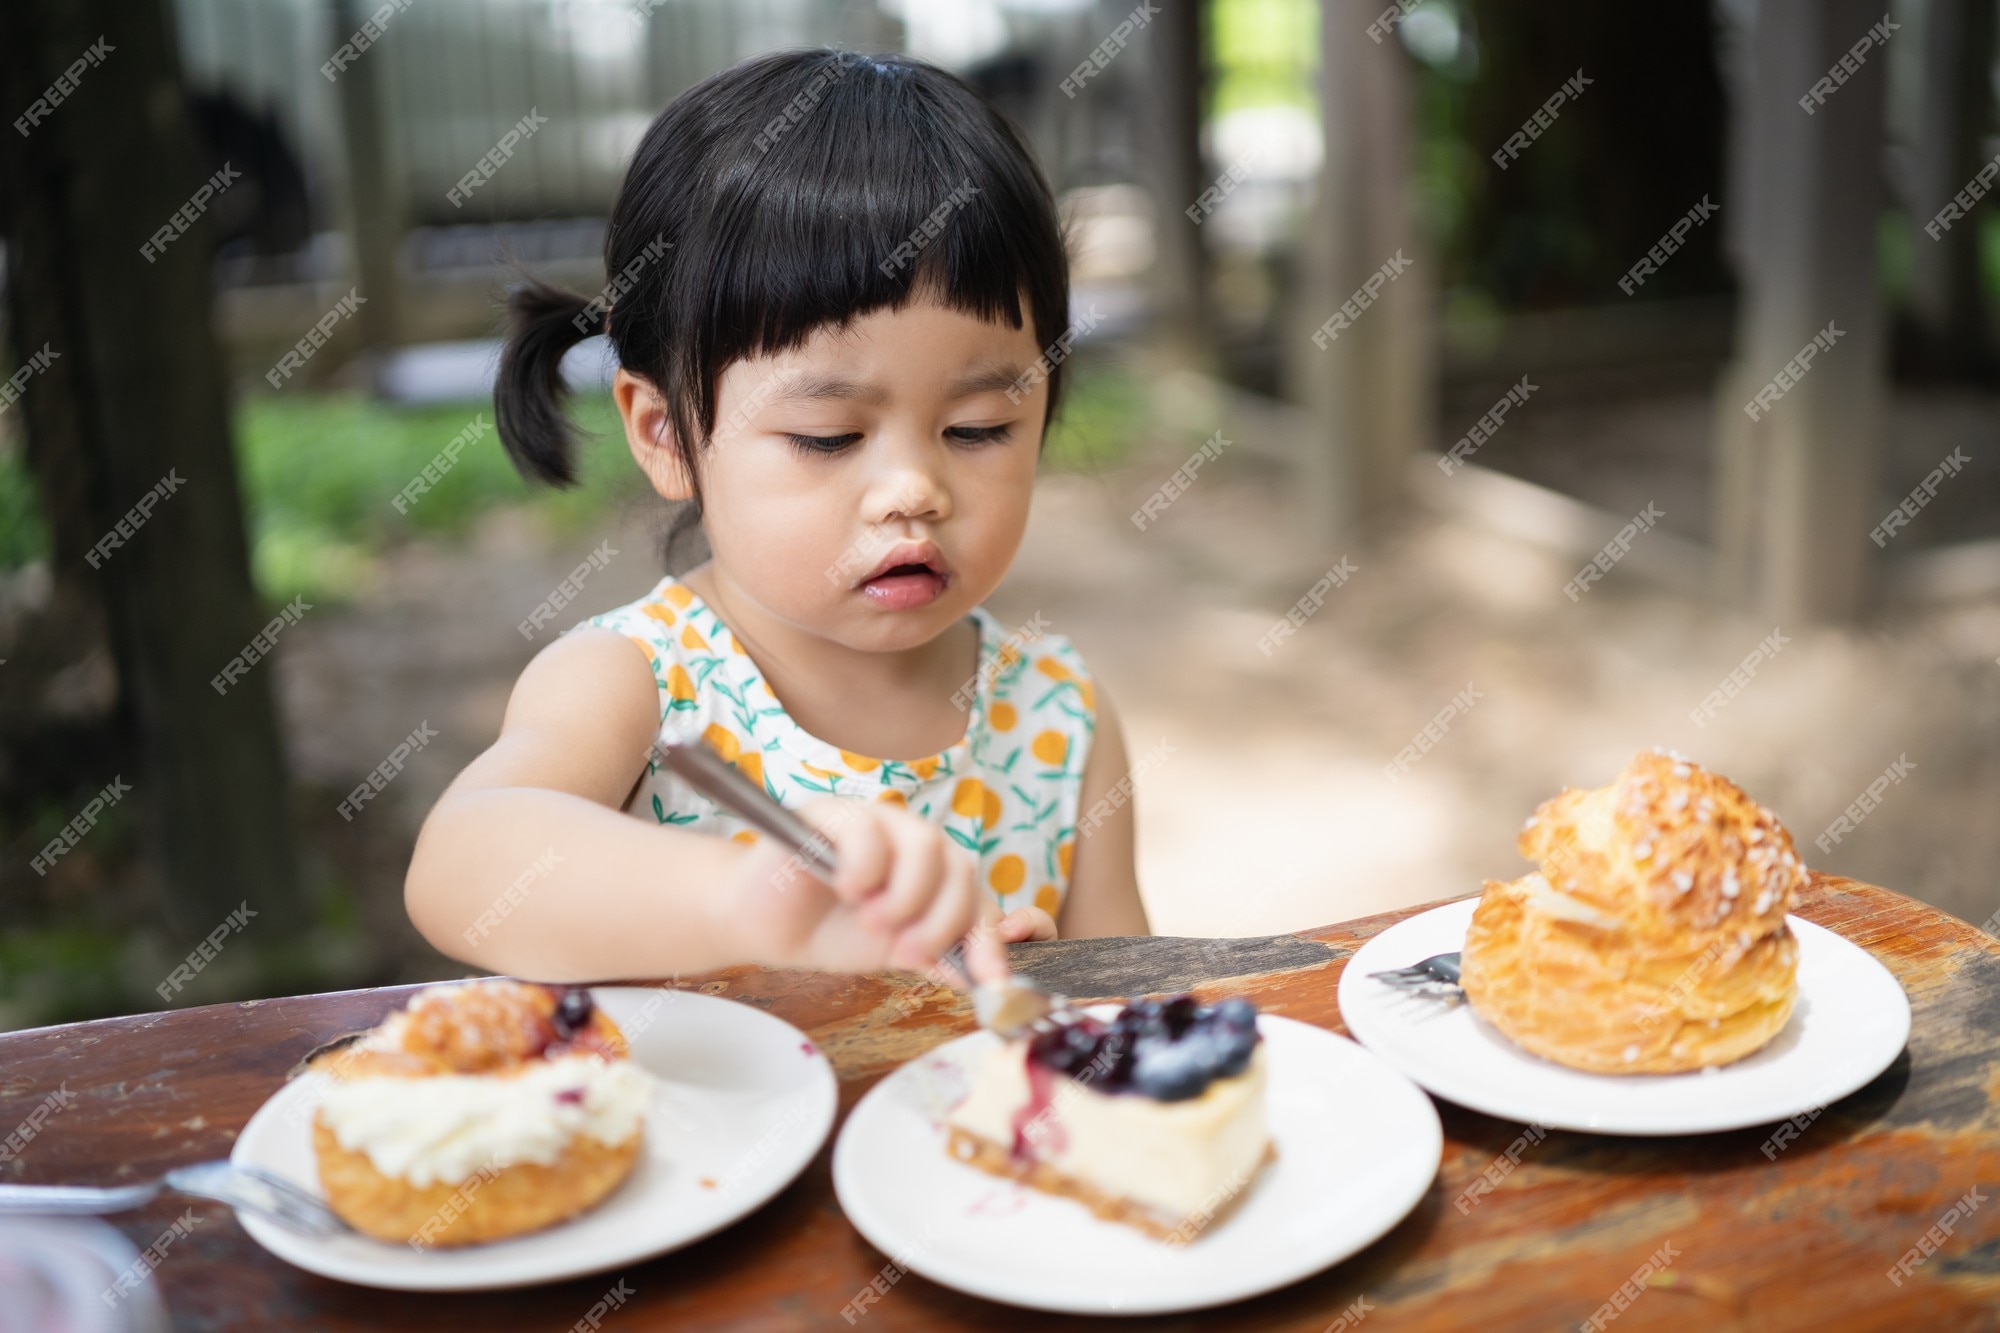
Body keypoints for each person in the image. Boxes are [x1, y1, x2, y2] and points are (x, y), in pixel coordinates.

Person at [404, 50, 1150, 987]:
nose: (912, 489)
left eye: (978, 427)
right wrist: (743, 894)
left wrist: (1056, 990)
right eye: (829, 436)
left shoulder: (1058, 717)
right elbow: (464, 867)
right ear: (667, 433)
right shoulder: (639, 684)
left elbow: (1134, 1001)